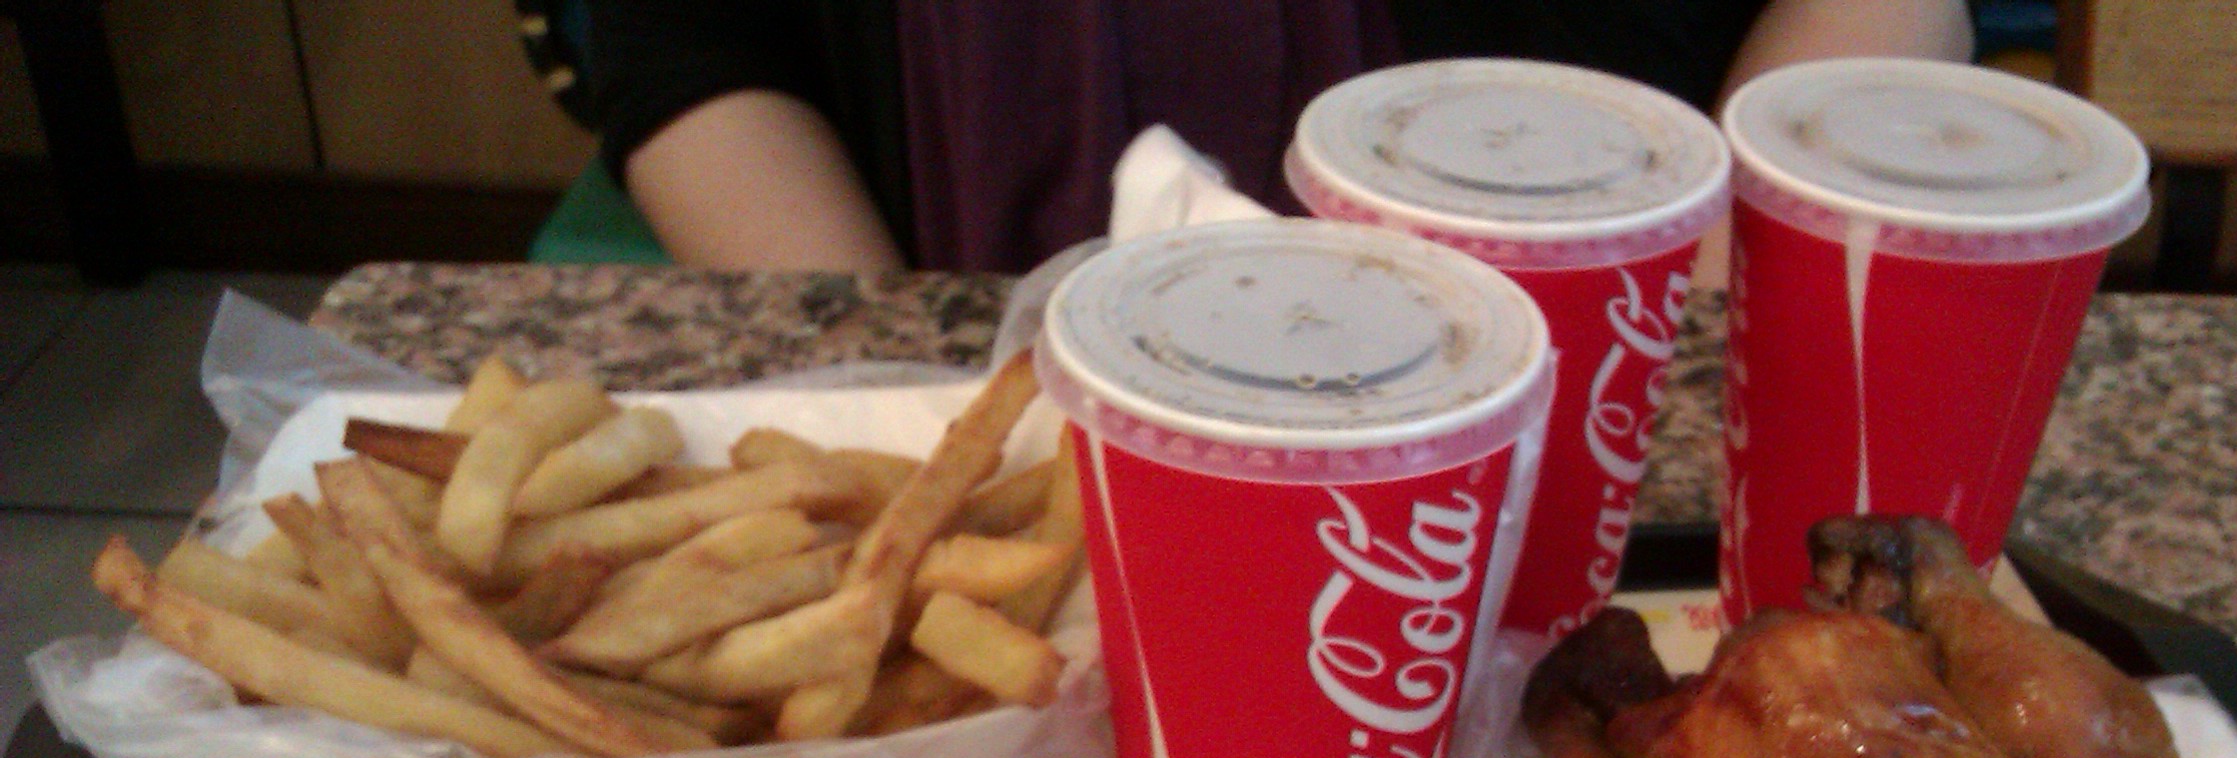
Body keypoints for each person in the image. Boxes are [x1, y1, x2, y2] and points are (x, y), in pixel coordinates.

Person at [592, 0, 1972, 280]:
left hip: (1608, 407)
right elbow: (691, 44)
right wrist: (911, 401)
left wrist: (1694, 317)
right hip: (978, 405)